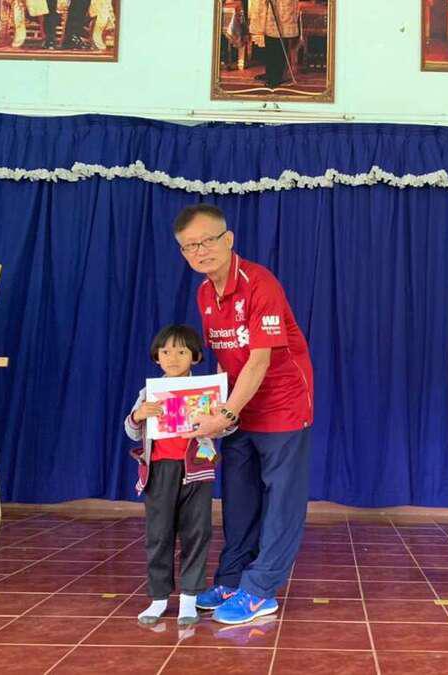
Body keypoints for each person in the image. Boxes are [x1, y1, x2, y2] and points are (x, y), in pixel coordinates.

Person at [172, 203, 313, 626]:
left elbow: (258, 360)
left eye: (207, 241)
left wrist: (225, 413)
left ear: (228, 239)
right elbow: (224, 358)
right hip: (238, 408)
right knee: (238, 498)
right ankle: (232, 578)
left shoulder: (260, 283)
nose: (200, 251)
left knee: (281, 499)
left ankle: (261, 590)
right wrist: (217, 407)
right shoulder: (204, 293)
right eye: (189, 246)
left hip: (282, 405)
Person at [124, 324, 216, 626]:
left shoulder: (206, 391)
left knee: (197, 532)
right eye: (165, 352)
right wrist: (139, 415)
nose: (173, 358)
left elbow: (226, 428)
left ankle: (189, 599)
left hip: (197, 471)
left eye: (181, 352)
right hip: (160, 470)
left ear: (195, 357)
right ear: (156, 357)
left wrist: (217, 420)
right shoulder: (148, 393)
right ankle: (159, 598)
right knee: (159, 534)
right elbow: (131, 430)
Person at [249, 0, 299, 87]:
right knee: (268, 37)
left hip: (281, 6)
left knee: (278, 39)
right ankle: (270, 72)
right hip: (268, 7)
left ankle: (277, 76)